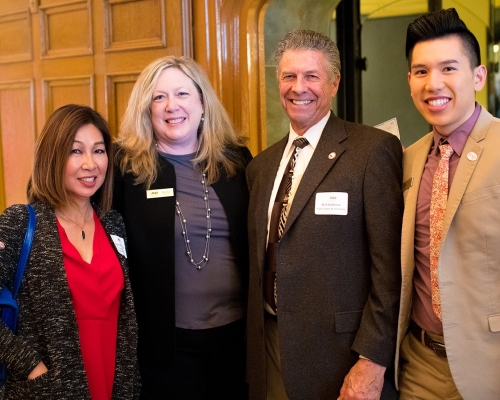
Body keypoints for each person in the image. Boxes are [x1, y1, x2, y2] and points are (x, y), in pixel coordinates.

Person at [246, 29, 403, 400]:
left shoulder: (371, 152)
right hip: (269, 348)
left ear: (333, 83)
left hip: (341, 357)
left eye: (311, 76)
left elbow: (390, 270)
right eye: (289, 76)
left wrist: (373, 360)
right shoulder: (261, 167)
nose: (299, 87)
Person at [113, 55, 252, 399]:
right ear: (146, 109)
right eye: (158, 97)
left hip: (236, 341)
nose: (171, 106)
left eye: (182, 94)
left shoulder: (237, 161)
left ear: (202, 102)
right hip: (164, 347)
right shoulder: (124, 170)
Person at [0, 104, 140, 399]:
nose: (90, 164)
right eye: (76, 151)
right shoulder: (19, 223)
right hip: (50, 390)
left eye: (99, 150)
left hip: (113, 385)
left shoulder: (113, 222)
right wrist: (31, 367)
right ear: (53, 158)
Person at [395, 8, 500, 399]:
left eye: (448, 68)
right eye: (421, 71)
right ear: (409, 81)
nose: (432, 83)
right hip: (418, 364)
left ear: (478, 76)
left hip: (491, 365)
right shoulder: (407, 158)